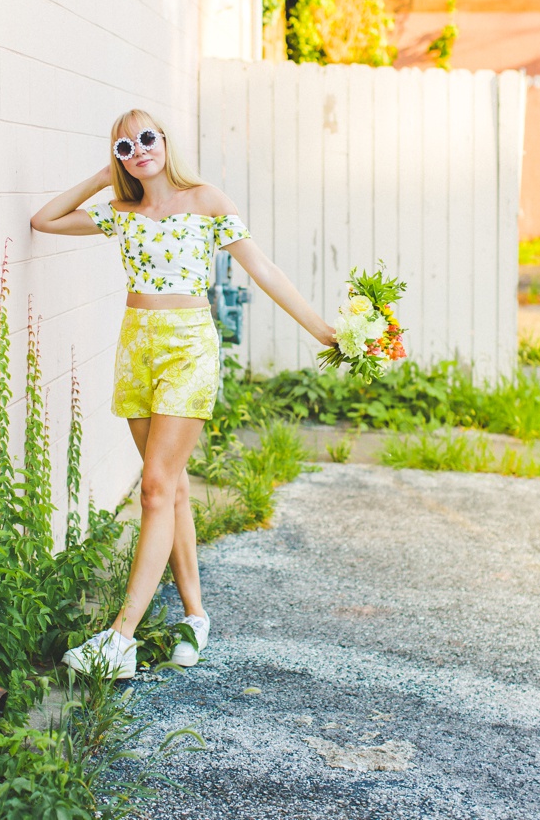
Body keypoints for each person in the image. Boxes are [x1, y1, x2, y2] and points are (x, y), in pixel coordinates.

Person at [29, 109, 333, 678]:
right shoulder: (121, 213)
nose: (139, 150)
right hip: (136, 348)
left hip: (188, 347)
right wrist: (103, 177)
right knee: (173, 487)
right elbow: (45, 219)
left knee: (153, 487)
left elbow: (261, 268)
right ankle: (194, 617)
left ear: (165, 141)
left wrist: (321, 330)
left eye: (147, 138)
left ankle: (119, 641)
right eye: (125, 147)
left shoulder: (207, 201)